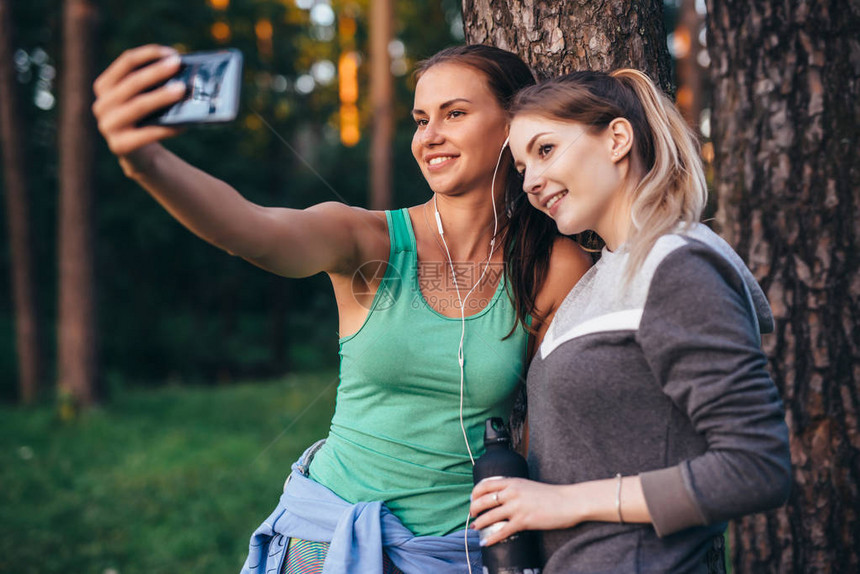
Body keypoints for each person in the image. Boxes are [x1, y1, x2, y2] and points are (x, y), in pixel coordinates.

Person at [91, 44, 590, 573]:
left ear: (512, 126)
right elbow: (253, 231)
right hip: (326, 541)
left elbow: (547, 438)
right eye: (421, 119)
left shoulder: (551, 266)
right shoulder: (369, 240)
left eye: (455, 114)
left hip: (455, 554)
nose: (430, 137)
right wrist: (145, 161)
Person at [469, 69, 792, 573]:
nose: (529, 181)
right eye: (521, 165)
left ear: (617, 138)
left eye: (546, 150)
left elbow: (758, 467)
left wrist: (565, 502)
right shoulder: (607, 275)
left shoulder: (675, 266)